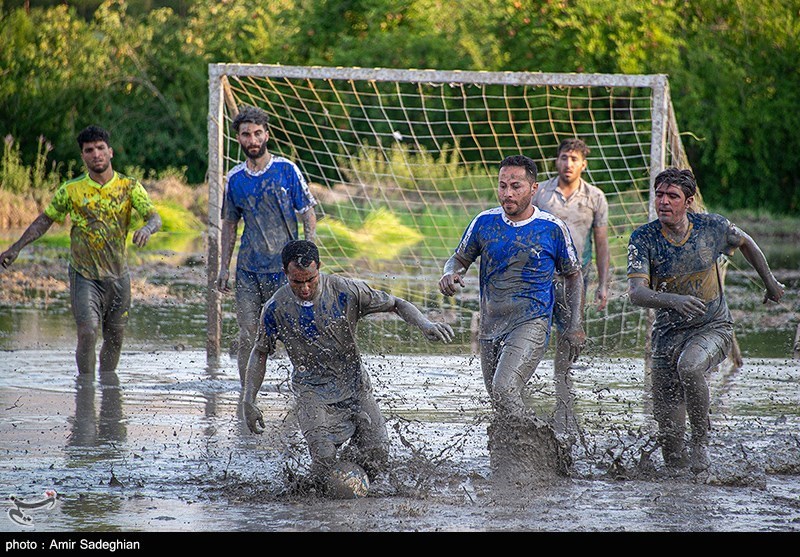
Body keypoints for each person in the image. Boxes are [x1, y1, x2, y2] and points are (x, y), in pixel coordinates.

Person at [243, 240, 454, 485]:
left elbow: (397, 304)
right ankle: (316, 501)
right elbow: (259, 352)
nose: (305, 288)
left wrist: (425, 324)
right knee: (323, 460)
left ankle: (355, 494)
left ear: (319, 267)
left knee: (377, 456)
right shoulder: (275, 308)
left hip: (354, 386)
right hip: (312, 392)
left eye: (310, 279)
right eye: (297, 281)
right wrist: (249, 398)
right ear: (285, 274)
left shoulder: (345, 291)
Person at [627, 167, 784, 473]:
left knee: (690, 366)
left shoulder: (712, 226)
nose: (664, 202)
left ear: (688, 201)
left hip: (712, 327)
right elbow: (636, 293)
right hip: (666, 337)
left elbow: (746, 242)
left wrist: (771, 283)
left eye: (672, 196)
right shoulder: (643, 238)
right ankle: (680, 505)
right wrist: (675, 300)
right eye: (659, 195)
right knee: (671, 449)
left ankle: (701, 440)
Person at [0, 125, 161, 376]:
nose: (96, 154)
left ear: (110, 152)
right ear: (83, 156)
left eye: (100, 148)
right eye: (89, 150)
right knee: (87, 332)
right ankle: (85, 388)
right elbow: (45, 220)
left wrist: (147, 229)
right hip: (83, 275)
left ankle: (108, 386)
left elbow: (154, 217)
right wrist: (16, 247)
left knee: (115, 336)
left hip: (119, 276)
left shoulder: (130, 187)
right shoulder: (71, 190)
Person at [438, 155, 585, 421]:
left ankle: (543, 442)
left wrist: (575, 323)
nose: (507, 193)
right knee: (499, 404)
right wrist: (450, 272)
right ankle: (512, 458)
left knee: (504, 388)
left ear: (533, 188)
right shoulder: (484, 222)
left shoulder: (551, 228)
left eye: (515, 186)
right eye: (502, 186)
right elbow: (459, 258)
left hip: (531, 321)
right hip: (491, 325)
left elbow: (573, 275)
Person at [216, 105, 318, 385]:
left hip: (285, 271)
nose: (252, 140)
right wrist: (224, 267)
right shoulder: (235, 179)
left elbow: (308, 211)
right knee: (249, 333)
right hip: (248, 269)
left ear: (267, 135)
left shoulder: (287, 170)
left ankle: (306, 389)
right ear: (238, 138)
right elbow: (229, 225)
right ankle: (246, 395)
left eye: (257, 133)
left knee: (294, 332)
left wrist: (308, 254)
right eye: (246, 134)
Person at [532, 138, 610, 434]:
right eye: (564, 157)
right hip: (540, 277)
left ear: (583, 164)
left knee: (570, 334)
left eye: (574, 159)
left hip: (575, 278)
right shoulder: (541, 193)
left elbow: (601, 243)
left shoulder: (595, 197)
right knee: (534, 332)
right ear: (557, 160)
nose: (568, 164)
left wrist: (603, 284)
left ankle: (563, 392)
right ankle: (526, 386)